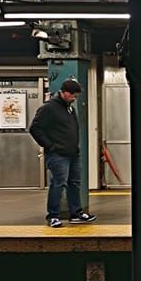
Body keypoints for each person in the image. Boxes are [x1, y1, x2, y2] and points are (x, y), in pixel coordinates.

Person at [29, 79, 97, 228]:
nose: (74, 99)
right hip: (58, 154)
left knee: (74, 183)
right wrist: (50, 146)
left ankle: (76, 213)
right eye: (73, 96)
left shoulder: (69, 108)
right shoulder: (49, 108)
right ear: (64, 92)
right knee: (58, 184)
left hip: (72, 153)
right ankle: (53, 216)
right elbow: (35, 128)